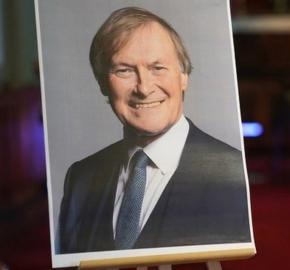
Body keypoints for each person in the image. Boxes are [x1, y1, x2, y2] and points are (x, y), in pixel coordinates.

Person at [57, 6, 250, 254]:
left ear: (183, 77)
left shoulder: (231, 171)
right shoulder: (81, 177)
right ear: (103, 83)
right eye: (124, 70)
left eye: (157, 67)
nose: (144, 88)